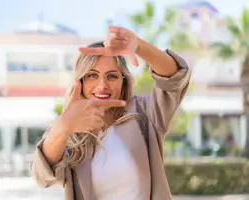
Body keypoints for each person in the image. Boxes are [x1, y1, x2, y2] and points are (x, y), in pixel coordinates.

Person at [30, 26, 191, 200]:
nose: (102, 85)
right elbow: (42, 178)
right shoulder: (69, 129)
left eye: (112, 76)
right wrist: (63, 127)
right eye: (92, 75)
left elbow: (175, 78)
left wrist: (139, 47)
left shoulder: (144, 114)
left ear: (124, 81)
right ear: (81, 81)